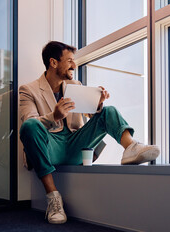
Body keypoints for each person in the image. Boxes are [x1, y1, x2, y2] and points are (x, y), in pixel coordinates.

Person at [19, 41, 160, 224]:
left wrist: (98, 104)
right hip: (49, 148)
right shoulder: (28, 90)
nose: (74, 65)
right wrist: (54, 116)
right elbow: (29, 122)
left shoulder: (74, 84)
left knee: (108, 111)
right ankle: (53, 198)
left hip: (75, 145)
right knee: (29, 127)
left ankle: (131, 147)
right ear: (53, 63)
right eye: (69, 60)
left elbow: (89, 113)